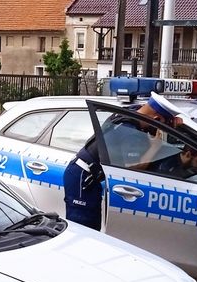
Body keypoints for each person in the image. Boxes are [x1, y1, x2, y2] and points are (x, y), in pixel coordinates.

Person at [63, 92, 181, 230]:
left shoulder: (131, 113)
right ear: (155, 118)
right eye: (162, 124)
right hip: (83, 177)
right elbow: (132, 169)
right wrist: (155, 147)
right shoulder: (128, 130)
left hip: (88, 174)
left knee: (92, 226)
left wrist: (172, 121)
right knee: (85, 229)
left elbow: (146, 109)